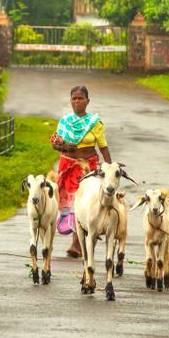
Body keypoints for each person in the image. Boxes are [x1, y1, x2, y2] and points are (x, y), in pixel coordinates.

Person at [50, 85, 112, 258]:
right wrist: (63, 146)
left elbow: (104, 148)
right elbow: (55, 144)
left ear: (88, 101)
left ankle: (76, 244)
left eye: (80, 98)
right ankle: (77, 241)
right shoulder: (64, 122)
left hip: (87, 169)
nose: (77, 101)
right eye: (74, 98)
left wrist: (110, 171)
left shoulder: (95, 123)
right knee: (69, 204)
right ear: (70, 101)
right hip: (67, 167)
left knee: (82, 203)